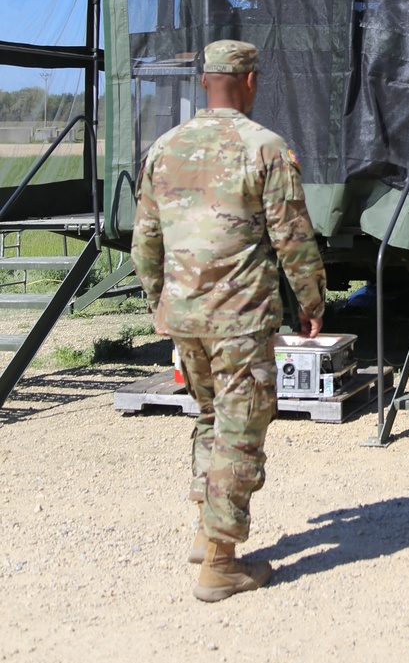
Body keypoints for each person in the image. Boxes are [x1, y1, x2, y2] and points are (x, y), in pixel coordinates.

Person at [132, 39, 327, 601]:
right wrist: (310, 302)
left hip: (184, 314)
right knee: (240, 427)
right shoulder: (263, 147)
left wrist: (160, 303)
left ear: (203, 83)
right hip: (239, 317)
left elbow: (145, 242)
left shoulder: (164, 148)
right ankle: (220, 563)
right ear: (250, 82)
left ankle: (203, 527)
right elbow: (292, 236)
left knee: (210, 415)